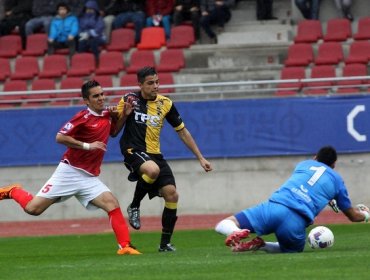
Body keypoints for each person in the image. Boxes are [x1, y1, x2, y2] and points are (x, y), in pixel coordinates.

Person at [0, 80, 141, 256]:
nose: (101, 98)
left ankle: (125, 246)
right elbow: (60, 137)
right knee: (33, 209)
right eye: (95, 96)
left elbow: (112, 133)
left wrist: (124, 116)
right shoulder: (82, 117)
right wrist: (88, 146)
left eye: (102, 94)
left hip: (88, 177)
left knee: (111, 203)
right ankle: (13, 191)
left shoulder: (106, 114)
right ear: (86, 101)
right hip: (69, 171)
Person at [112, 66, 213, 252]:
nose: (155, 86)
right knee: (152, 170)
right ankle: (134, 205)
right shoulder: (129, 99)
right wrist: (124, 115)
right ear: (140, 84)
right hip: (132, 149)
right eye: (150, 83)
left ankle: (165, 244)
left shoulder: (166, 103)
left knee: (172, 194)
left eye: (157, 82)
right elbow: (113, 132)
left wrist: (200, 158)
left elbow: (182, 132)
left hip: (155, 154)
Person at [215, 146, 370, 253]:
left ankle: (238, 231)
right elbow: (353, 216)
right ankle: (262, 245)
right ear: (334, 164)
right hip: (295, 222)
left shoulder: (304, 164)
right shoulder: (337, 181)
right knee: (290, 250)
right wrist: (366, 214)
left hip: (274, 207)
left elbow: (309, 182)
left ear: (315, 158)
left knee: (225, 223)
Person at [78, 1, 106, 65]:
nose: (88, 10)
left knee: (93, 41)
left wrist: (89, 33)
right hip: (84, 36)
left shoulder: (98, 18)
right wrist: (82, 34)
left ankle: (96, 60)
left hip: (98, 37)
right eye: (87, 9)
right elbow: (80, 28)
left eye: (91, 9)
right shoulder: (81, 18)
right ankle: (82, 62)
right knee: (82, 43)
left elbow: (99, 28)